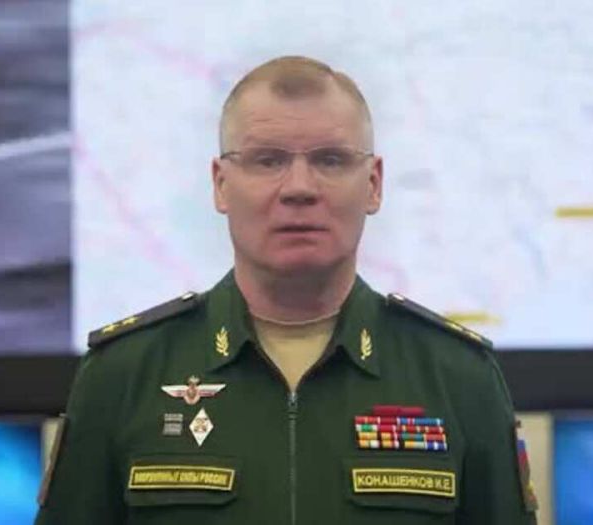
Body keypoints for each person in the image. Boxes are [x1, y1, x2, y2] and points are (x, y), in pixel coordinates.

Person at [35, 55, 538, 524]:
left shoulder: (458, 378)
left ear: (374, 184)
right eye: (267, 160)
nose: (299, 187)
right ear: (220, 184)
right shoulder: (123, 375)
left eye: (332, 160)